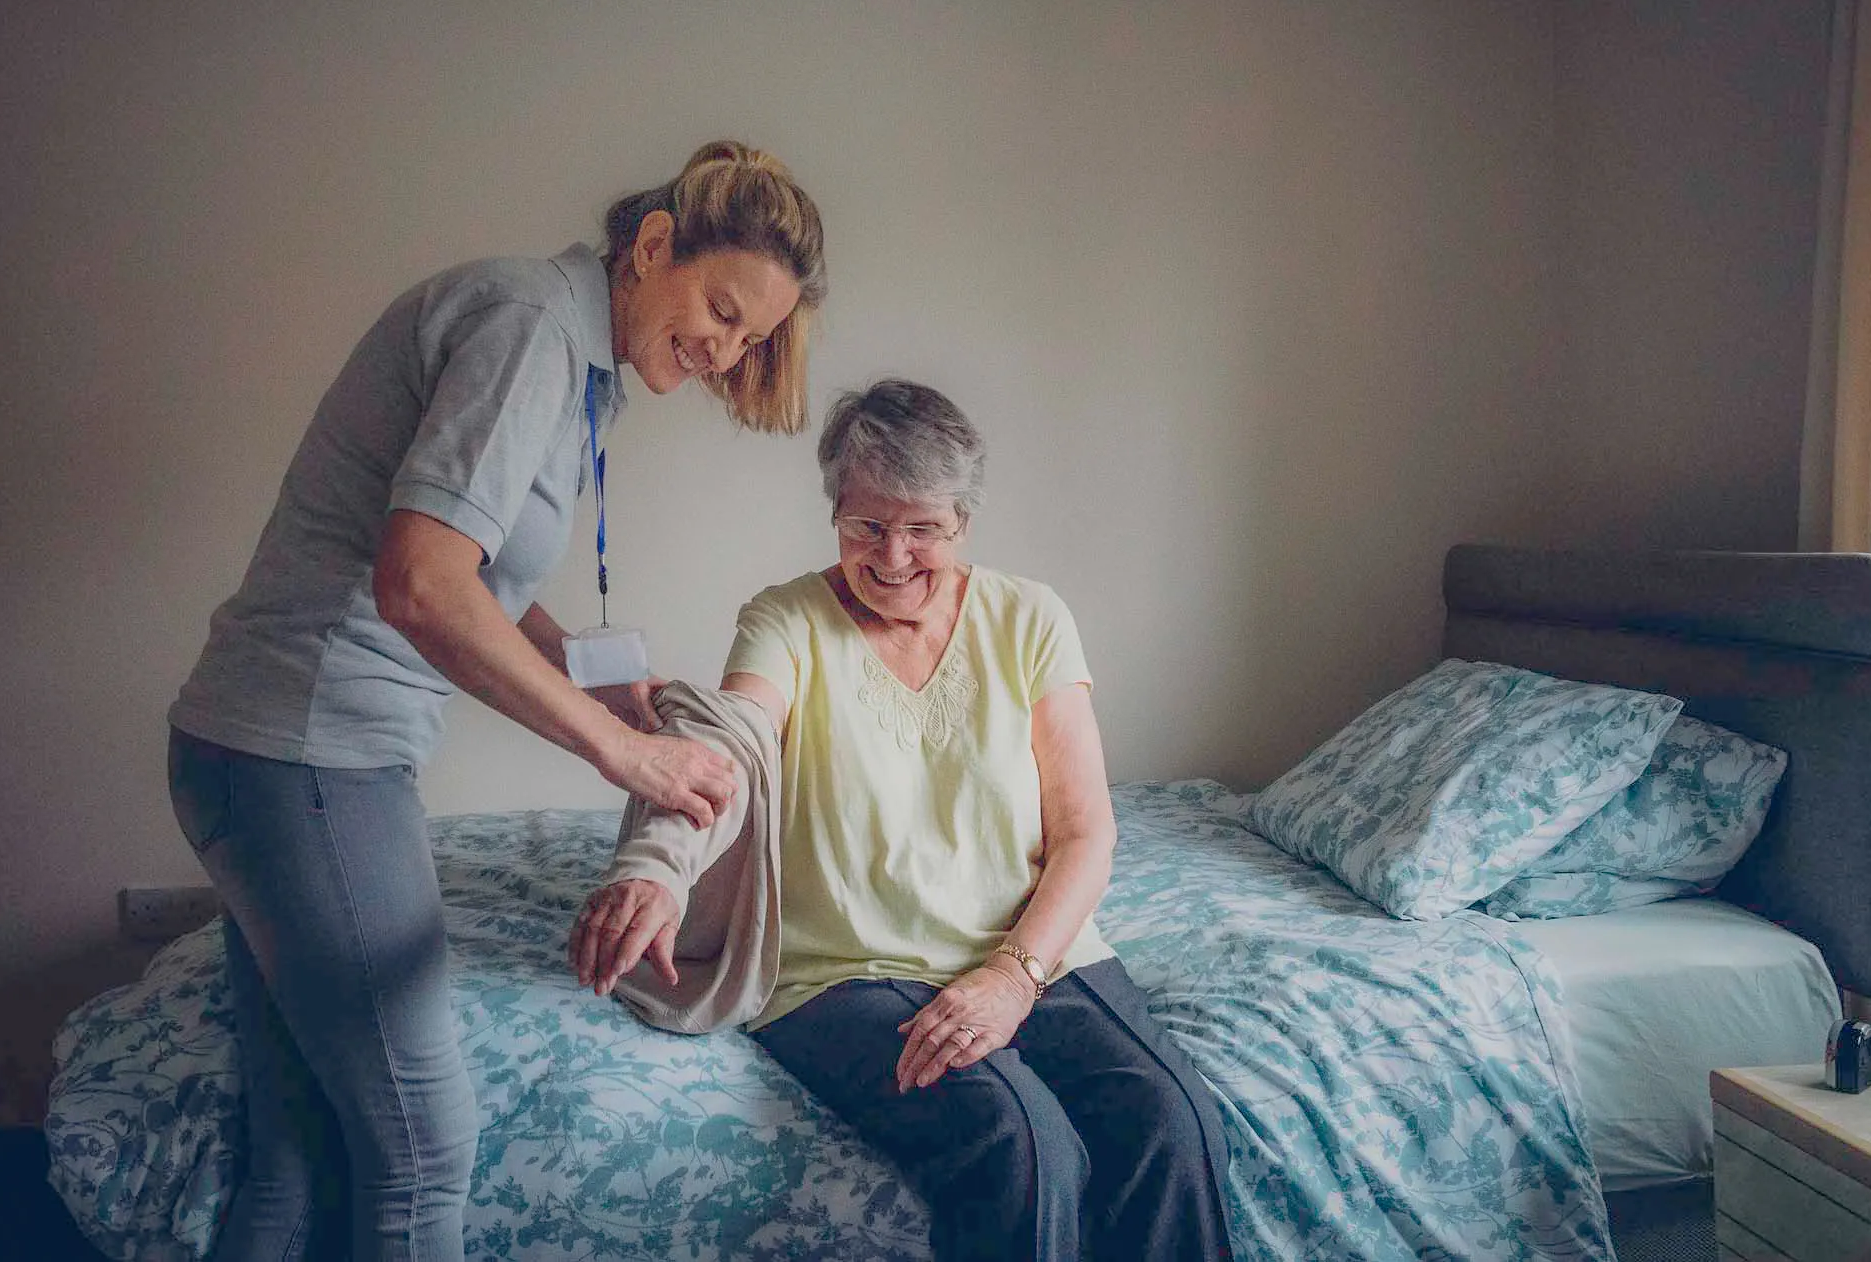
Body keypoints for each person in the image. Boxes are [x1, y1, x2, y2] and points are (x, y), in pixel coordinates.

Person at [164, 141, 825, 1261]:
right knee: (426, 1149)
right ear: (653, 245)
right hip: (310, 758)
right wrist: (625, 753)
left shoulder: (570, 363)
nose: (723, 350)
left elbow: (466, 572)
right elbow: (419, 582)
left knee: (296, 1152)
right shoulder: (529, 331)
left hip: (258, 748)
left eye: (749, 337)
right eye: (720, 309)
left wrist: (588, 667)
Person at [569, 380, 1231, 1262]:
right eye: (864, 526)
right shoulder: (785, 619)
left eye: (922, 528)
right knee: (1024, 1145)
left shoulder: (1029, 618)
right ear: (835, 513)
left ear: (964, 521)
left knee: (1173, 1126)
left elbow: (1085, 833)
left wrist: (1012, 977)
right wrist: (657, 862)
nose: (890, 555)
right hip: (844, 964)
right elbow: (729, 742)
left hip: (1027, 946)